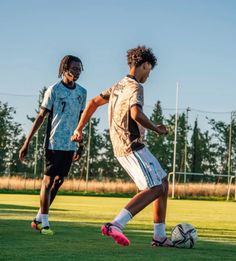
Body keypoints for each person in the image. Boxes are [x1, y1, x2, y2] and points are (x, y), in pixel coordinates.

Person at [71, 46, 173, 247]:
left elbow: (92, 102)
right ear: (144, 65)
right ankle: (116, 224)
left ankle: (159, 236)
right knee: (155, 187)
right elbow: (136, 114)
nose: (148, 75)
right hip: (131, 144)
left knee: (162, 181)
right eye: (149, 70)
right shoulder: (135, 87)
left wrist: (79, 128)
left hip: (122, 145)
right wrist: (156, 128)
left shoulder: (118, 86)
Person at [19, 55, 87, 235]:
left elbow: (80, 120)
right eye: (74, 69)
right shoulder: (54, 90)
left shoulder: (82, 92)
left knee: (59, 180)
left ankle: (38, 218)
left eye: (79, 69)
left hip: (70, 144)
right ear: (64, 69)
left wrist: (81, 144)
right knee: (48, 181)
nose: (77, 72)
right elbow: (41, 117)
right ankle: (45, 224)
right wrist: (27, 141)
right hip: (53, 142)